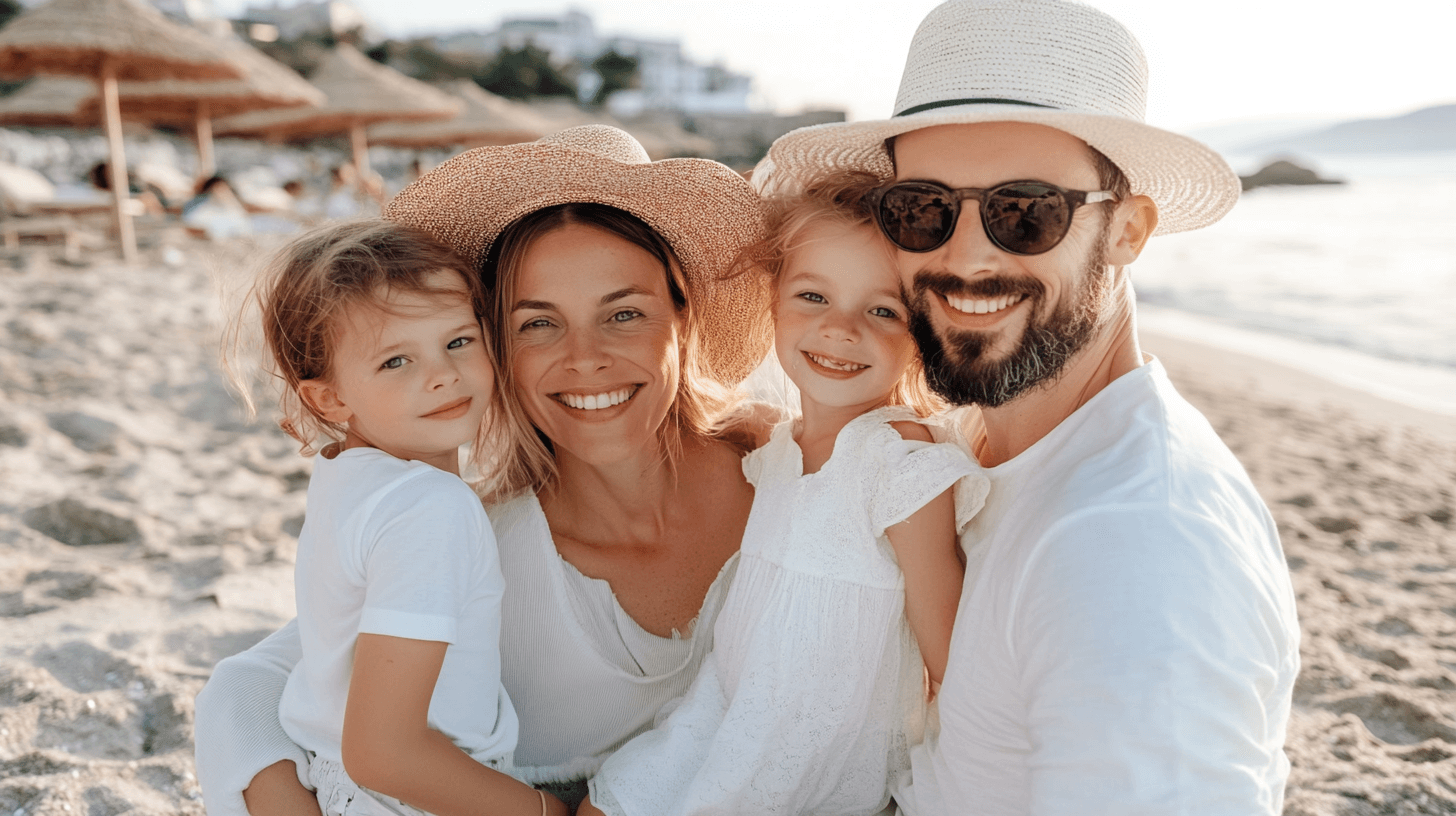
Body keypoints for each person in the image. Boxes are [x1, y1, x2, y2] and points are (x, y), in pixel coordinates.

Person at [758, 0, 1301, 813]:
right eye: (923, 210)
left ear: (1126, 233)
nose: (967, 255)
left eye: (1027, 212)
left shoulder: (1135, 548)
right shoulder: (977, 441)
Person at [193, 125, 775, 815]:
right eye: (537, 323)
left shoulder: (784, 476)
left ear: (685, 317)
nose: (584, 358)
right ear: (497, 345)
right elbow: (246, 687)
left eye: (623, 313)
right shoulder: (481, 536)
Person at [582, 173, 985, 816]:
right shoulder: (777, 451)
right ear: (773, 305)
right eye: (812, 296)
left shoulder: (898, 459)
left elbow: (952, 653)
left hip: (818, 749)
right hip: (733, 706)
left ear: (922, 334)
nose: (840, 328)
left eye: (883, 310)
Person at [225, 219, 563, 816]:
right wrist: (542, 811)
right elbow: (384, 751)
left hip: (335, 783)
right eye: (396, 361)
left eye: (459, 341)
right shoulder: (431, 507)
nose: (441, 374)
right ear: (327, 398)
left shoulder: (345, 478)